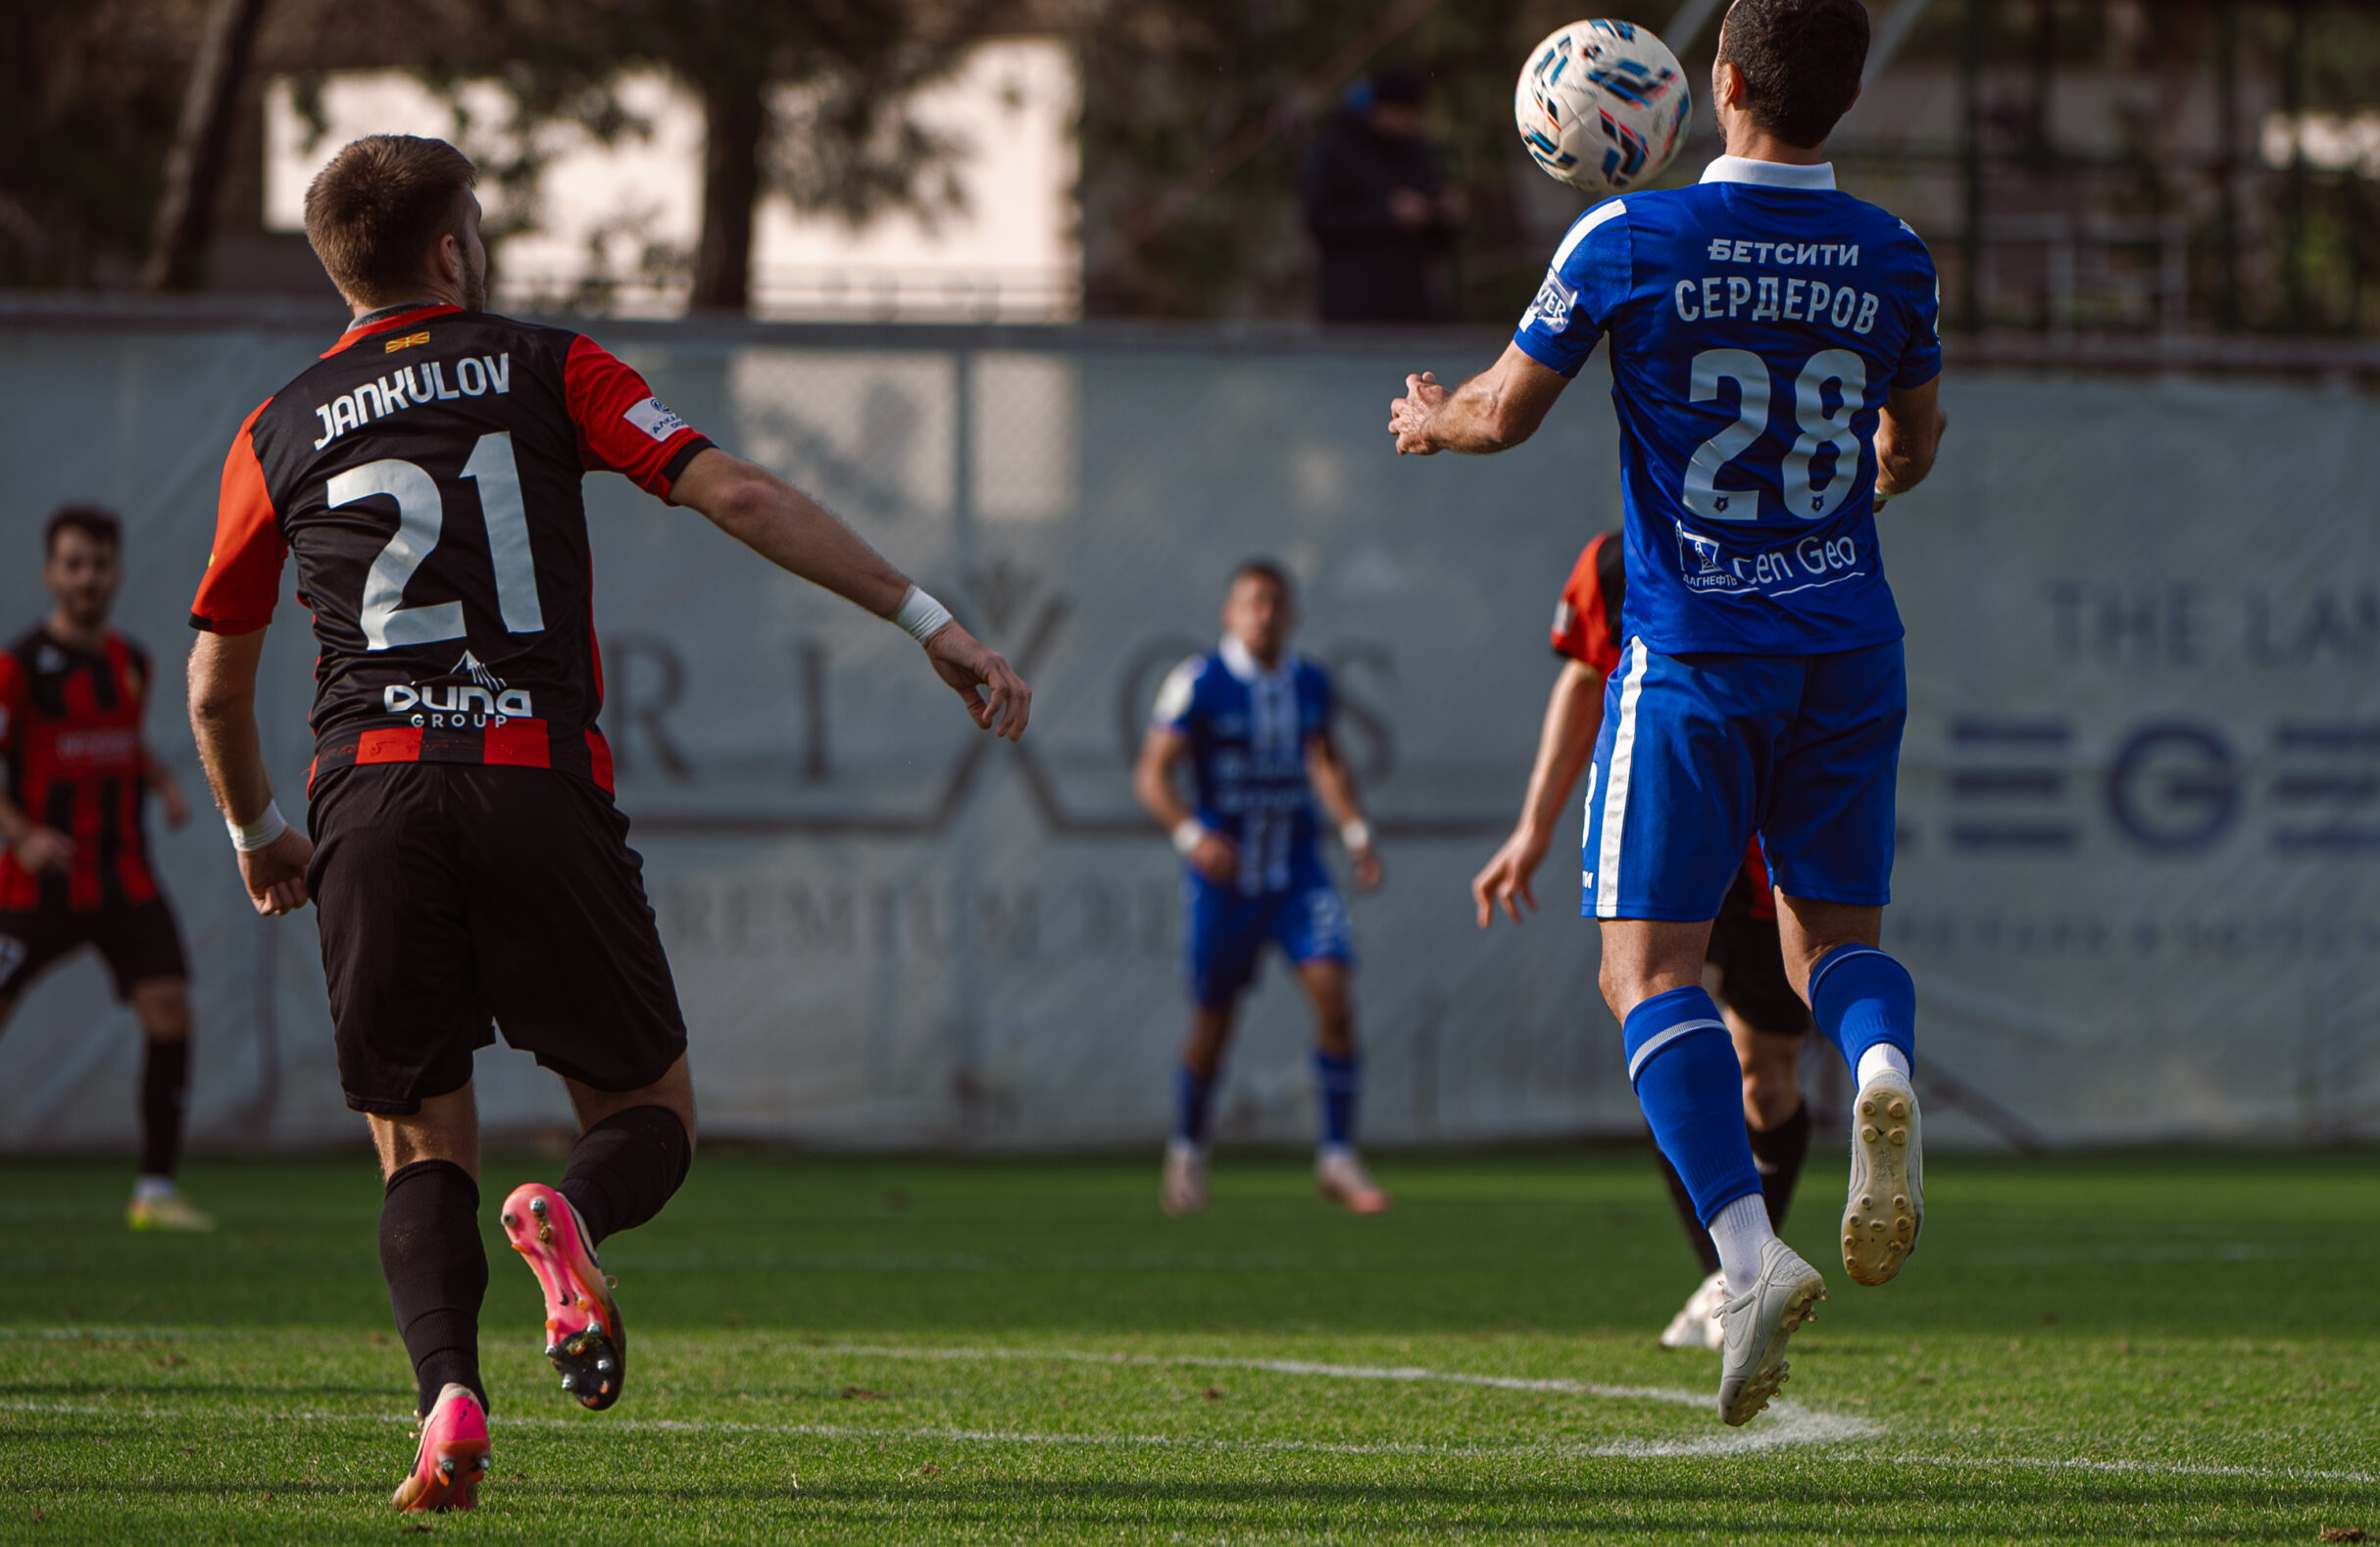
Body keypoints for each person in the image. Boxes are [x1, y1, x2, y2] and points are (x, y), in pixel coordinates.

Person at [184, 134, 1031, 1514]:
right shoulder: (545, 364)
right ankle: (570, 1214)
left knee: (418, 1137)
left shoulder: (274, 427)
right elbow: (736, 492)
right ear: (451, 247)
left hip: (372, 795)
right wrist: (927, 619)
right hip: (532, 777)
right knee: (648, 1113)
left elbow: (216, 686)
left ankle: (447, 1403)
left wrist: (256, 830)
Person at [1387, 0, 1947, 1427]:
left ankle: (1747, 1259)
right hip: (1851, 642)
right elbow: (1913, 442)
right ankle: (1882, 1063)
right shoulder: (1894, 254)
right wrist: (1877, 474)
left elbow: (1504, 414)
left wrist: (1431, 421)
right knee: (1832, 950)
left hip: (1697, 649)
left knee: (1646, 972)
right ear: (1849, 95)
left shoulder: (1629, 235)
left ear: (1725, 85)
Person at [1471, 529, 1810, 1351]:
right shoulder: (1615, 560)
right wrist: (1534, 827)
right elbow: (1584, 679)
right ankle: (1736, 1272)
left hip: (1767, 847)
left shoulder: (1793, 543)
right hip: (1667, 831)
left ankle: (1743, 1270)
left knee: (1764, 1076)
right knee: (1661, 1028)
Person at [1134, 561, 1389, 1218]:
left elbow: (1324, 760)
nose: (1264, 615)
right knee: (1212, 1025)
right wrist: (1193, 836)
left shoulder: (1310, 682)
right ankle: (1188, 1151)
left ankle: (1337, 1156)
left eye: (1275, 603)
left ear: (1292, 614)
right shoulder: (1198, 682)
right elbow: (1153, 774)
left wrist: (1355, 832)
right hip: (1226, 882)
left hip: (1298, 873)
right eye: (1251, 602)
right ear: (1228, 613)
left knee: (1334, 994)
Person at [0, 505, 211, 1232]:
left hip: (124, 875)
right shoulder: (19, 668)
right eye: (74, 564)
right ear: (51, 574)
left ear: (116, 571)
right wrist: (22, 833)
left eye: (98, 564)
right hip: (39, 881)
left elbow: (113, 736)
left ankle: (155, 1191)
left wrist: (162, 781)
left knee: (170, 1007)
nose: (87, 578)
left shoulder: (131, 661)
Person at [1301, 65, 1467, 324]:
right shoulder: (1335, 148)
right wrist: (1386, 214)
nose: (1408, 122)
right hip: (1353, 303)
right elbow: (1320, 220)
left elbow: (1437, 241)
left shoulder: (1417, 151)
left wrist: (1444, 214)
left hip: (1412, 302)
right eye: (1401, 113)